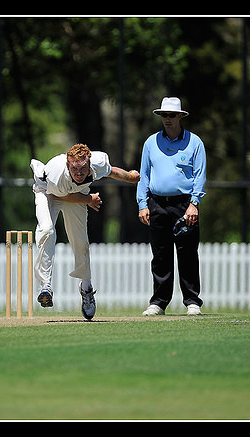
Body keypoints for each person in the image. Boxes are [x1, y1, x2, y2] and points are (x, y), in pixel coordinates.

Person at [30, 143, 140, 320]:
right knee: (47, 230)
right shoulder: (58, 174)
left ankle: (86, 288)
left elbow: (111, 171)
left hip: (76, 193)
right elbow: (64, 196)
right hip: (48, 191)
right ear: (68, 165)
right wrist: (89, 199)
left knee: (81, 242)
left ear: (89, 165)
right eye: (74, 169)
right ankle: (46, 285)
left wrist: (131, 177)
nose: (79, 173)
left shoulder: (98, 162)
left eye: (83, 169)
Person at [136, 97, 207, 316]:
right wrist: (142, 204)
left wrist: (194, 204)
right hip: (157, 204)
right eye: (163, 115)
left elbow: (199, 176)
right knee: (160, 255)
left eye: (171, 115)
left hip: (184, 205)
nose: (167, 119)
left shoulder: (194, 143)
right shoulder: (150, 143)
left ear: (180, 116)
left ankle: (192, 301)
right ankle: (158, 302)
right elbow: (144, 175)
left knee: (187, 253)